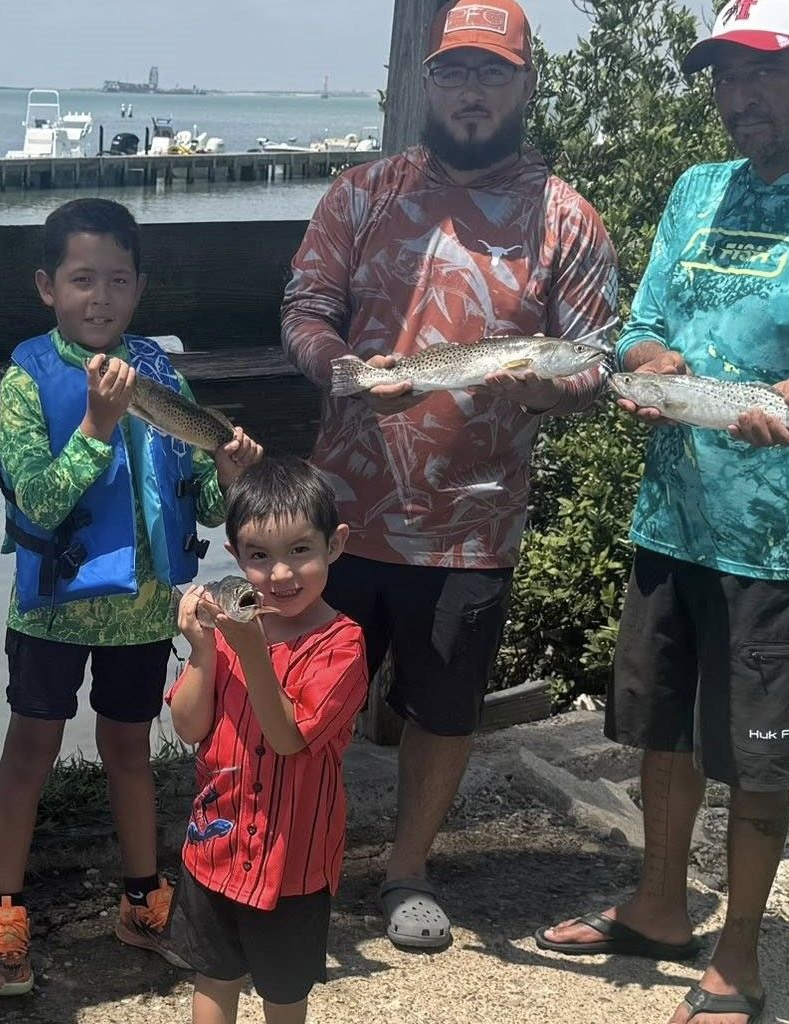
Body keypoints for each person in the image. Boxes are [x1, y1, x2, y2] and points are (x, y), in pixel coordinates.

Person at [533, 2, 789, 1021]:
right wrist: (642, 359)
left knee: (755, 752)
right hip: (672, 512)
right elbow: (641, 330)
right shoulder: (697, 188)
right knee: (661, 728)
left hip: (783, 533)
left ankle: (739, 957)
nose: (737, 97)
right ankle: (658, 907)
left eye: (761, 73)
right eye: (722, 75)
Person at [279, 0, 619, 952]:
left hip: (472, 525)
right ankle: (303, 856)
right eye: (455, 73)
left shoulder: (566, 218)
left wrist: (549, 393)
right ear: (426, 84)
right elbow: (305, 310)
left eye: (492, 74)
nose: (472, 94)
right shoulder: (362, 192)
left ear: (525, 84)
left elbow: (596, 362)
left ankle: (406, 872)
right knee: (309, 702)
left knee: (442, 709)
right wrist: (340, 371)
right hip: (339, 514)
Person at [0, 197, 264, 995]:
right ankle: (5, 913)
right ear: (47, 287)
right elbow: (34, 501)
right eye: (80, 280)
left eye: (115, 281)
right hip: (51, 610)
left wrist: (233, 473)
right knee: (28, 755)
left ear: (139, 288)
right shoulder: (26, 378)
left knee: (129, 751)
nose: (97, 298)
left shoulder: (163, 373)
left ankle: (142, 901)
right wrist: (98, 427)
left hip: (142, 611)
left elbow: (206, 500)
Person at [166, 458, 367, 1024]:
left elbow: (287, 739)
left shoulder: (342, 645)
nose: (281, 574)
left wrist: (250, 651)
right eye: (259, 556)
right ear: (235, 557)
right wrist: (204, 652)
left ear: (335, 544)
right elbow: (188, 726)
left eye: (300, 550)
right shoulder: (230, 631)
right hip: (214, 847)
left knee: (283, 994)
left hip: (293, 864)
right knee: (214, 976)